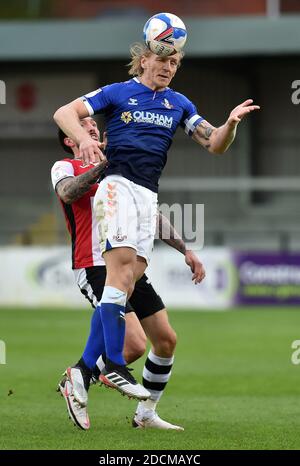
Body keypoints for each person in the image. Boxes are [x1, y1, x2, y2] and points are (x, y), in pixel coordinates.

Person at [53, 42, 260, 400]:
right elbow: (63, 112)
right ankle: (113, 366)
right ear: (144, 60)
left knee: (131, 279)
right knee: (119, 273)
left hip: (147, 194)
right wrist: (85, 139)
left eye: (175, 62)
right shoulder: (117, 93)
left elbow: (214, 144)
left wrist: (229, 125)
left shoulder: (179, 104)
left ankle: (85, 373)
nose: (169, 67)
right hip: (117, 185)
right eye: (163, 59)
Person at [51, 117, 205, 430]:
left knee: (165, 340)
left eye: (93, 124)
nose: (91, 127)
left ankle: (145, 414)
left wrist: (185, 249)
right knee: (133, 344)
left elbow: (150, 213)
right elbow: (68, 194)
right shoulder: (65, 167)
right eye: (83, 125)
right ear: (70, 139)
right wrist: (103, 166)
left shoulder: (122, 171)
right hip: (94, 263)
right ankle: (79, 375)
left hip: (129, 261)